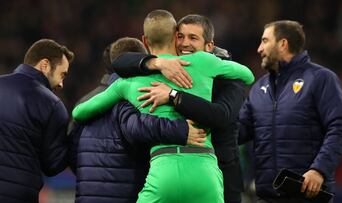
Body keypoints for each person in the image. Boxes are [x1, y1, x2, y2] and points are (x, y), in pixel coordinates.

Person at [72, 10, 254, 203]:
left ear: (144, 40)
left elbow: (79, 112)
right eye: (182, 37)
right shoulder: (205, 62)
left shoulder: (127, 83)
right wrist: (214, 61)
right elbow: (248, 75)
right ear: (175, 36)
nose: (185, 43)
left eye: (192, 38)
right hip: (205, 170)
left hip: (163, 169)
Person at [69, 37, 206, 203]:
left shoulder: (85, 101)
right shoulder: (129, 98)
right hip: (124, 195)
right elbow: (139, 127)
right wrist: (182, 130)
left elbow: (71, 150)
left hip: (86, 195)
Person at [238, 20, 342, 203]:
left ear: (283, 44)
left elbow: (340, 128)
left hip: (307, 195)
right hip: (266, 197)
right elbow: (237, 131)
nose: (259, 48)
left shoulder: (321, 79)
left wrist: (319, 170)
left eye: (265, 41)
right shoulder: (259, 88)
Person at [0, 39, 74, 203]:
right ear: (45, 65)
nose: (61, 84)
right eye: (62, 75)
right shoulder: (52, 105)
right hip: (18, 195)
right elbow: (52, 166)